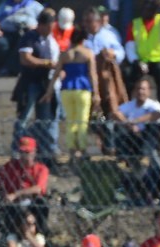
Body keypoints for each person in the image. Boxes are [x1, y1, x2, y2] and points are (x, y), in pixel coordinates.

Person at [12, 8, 60, 166]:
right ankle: (16, 153)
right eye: (51, 25)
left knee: (45, 119)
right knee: (24, 118)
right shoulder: (30, 37)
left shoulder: (50, 39)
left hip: (44, 84)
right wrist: (46, 63)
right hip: (30, 84)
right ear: (43, 24)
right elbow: (25, 59)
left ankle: (44, 154)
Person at [0, 136, 50, 235]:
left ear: (34, 152)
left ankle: (41, 232)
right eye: (22, 152)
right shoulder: (10, 166)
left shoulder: (41, 168)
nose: (24, 156)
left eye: (27, 152)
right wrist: (1, 194)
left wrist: (16, 194)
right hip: (11, 204)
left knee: (42, 203)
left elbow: (38, 188)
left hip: (31, 203)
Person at [57, 23, 98, 162]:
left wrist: (49, 91)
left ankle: (71, 150)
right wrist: (96, 93)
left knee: (70, 121)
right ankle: (82, 149)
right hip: (83, 89)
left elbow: (56, 73)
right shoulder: (87, 53)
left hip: (67, 89)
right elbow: (92, 74)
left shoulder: (65, 54)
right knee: (82, 120)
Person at [127, 0, 160, 117]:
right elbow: (130, 46)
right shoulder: (134, 24)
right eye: (146, 8)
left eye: (151, 8)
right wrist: (137, 61)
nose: (148, 10)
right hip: (142, 61)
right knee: (128, 73)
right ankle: (129, 107)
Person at [110, 76, 160, 161]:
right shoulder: (130, 105)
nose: (140, 92)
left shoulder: (153, 105)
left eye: (143, 89)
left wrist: (135, 121)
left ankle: (146, 157)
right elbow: (115, 113)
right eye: (138, 89)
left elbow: (158, 114)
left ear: (149, 91)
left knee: (153, 128)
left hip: (146, 135)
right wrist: (128, 124)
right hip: (131, 134)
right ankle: (122, 159)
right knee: (120, 128)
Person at [0, 0, 43, 77]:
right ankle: (3, 68)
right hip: (7, 33)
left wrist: (35, 28)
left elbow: (45, 18)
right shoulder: (5, 4)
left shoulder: (34, 5)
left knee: (22, 42)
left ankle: (9, 69)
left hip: (27, 33)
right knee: (0, 43)